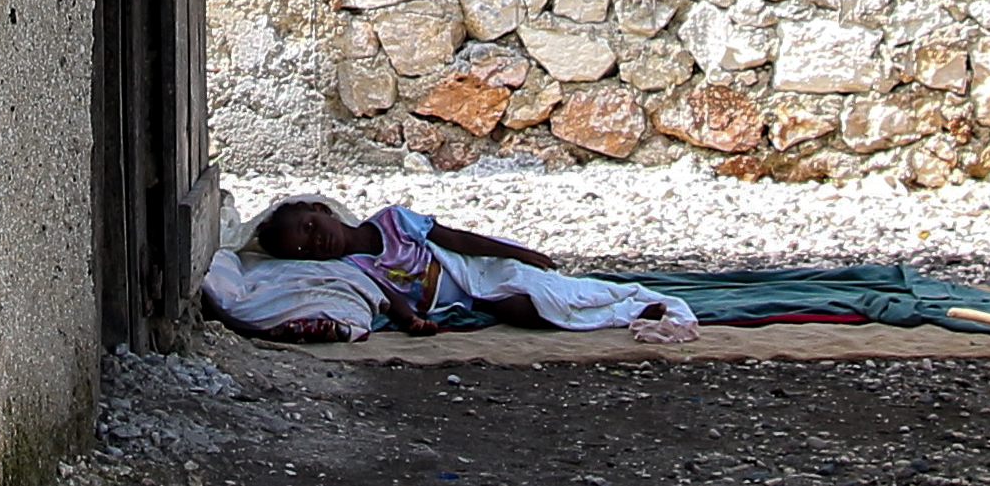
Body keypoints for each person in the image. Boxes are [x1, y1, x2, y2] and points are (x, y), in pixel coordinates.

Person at [256, 200, 696, 341]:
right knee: (526, 312)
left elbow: (456, 241)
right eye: (307, 247)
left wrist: (518, 252)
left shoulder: (393, 220)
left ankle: (628, 302)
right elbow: (388, 299)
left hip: (475, 271)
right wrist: (409, 320)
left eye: (313, 227)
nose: (318, 240)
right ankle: (624, 314)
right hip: (467, 299)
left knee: (543, 294)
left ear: (322, 209)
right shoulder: (352, 269)